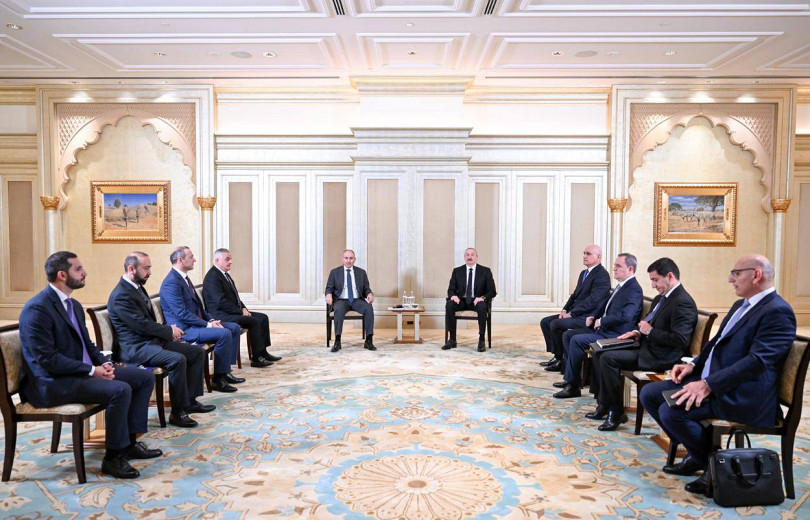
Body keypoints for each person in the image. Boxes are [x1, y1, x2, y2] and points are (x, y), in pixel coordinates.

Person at [639, 254, 796, 495]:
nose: (730, 279)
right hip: (717, 382)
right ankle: (701, 456)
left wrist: (708, 385)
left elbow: (758, 362)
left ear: (756, 275)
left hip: (743, 394)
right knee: (650, 394)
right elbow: (715, 343)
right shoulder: (740, 305)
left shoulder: (777, 311)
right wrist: (693, 365)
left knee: (672, 412)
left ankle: (713, 465)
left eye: (736, 273)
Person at [19, 251, 160, 479]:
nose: (84, 272)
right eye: (78, 269)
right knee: (120, 390)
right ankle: (113, 458)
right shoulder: (37, 308)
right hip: (52, 382)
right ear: (62, 275)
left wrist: (106, 364)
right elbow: (47, 359)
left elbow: (88, 346)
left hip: (77, 374)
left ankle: (129, 443)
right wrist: (92, 370)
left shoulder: (74, 305)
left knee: (143, 378)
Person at [586, 257, 697, 431]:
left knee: (608, 358)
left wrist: (649, 332)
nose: (652, 285)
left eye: (655, 280)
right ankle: (604, 404)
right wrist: (637, 332)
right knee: (599, 350)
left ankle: (616, 412)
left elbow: (680, 340)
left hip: (662, 356)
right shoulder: (661, 298)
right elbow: (647, 323)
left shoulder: (682, 302)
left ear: (670, 276)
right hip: (646, 346)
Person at [108, 252, 214, 428]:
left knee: (196, 353)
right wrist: (169, 331)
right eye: (146, 268)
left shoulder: (136, 287)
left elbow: (147, 323)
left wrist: (168, 333)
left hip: (151, 342)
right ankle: (178, 412)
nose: (150, 272)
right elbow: (141, 325)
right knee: (177, 360)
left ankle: (190, 401)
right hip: (136, 348)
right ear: (131, 269)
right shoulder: (121, 295)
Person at [553, 253, 643, 401]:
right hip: (606, 330)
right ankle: (572, 378)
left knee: (576, 340)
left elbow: (626, 315)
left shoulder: (633, 289)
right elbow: (605, 306)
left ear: (630, 269)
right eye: (614, 265)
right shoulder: (622, 286)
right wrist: (594, 318)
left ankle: (573, 385)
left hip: (616, 334)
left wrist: (602, 321)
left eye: (618, 266)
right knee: (568, 335)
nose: (614, 269)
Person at [159, 246, 243, 392]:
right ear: (180, 259)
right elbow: (182, 314)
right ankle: (218, 379)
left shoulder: (184, 278)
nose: (195, 260)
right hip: (184, 329)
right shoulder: (171, 282)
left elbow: (199, 307)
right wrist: (208, 325)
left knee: (234, 327)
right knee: (224, 333)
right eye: (191, 257)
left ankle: (225, 371)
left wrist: (210, 320)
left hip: (195, 324)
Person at [203, 248, 281, 368]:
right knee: (253, 321)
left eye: (231, 259)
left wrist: (244, 309)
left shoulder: (224, 275)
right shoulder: (213, 277)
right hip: (220, 315)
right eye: (227, 259)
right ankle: (256, 358)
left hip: (231, 311)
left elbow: (236, 298)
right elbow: (220, 302)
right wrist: (240, 311)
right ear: (217, 260)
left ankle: (263, 352)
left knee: (263, 317)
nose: (231, 262)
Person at [540, 244, 610, 372]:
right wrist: (565, 310)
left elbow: (593, 301)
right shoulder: (584, 273)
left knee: (555, 324)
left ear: (598, 257)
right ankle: (557, 355)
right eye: (584, 253)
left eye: (588, 254)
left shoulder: (602, 275)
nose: (584, 256)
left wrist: (572, 313)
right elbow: (574, 295)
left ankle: (560, 360)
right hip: (576, 313)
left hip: (587, 317)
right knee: (545, 322)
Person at [442, 248, 497, 352]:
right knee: (449, 304)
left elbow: (492, 291)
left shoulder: (485, 271)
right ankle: (452, 339)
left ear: (476, 257)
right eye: (467, 255)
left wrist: (482, 298)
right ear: (464, 258)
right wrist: (453, 296)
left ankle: (481, 340)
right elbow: (451, 289)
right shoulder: (457, 271)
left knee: (482, 306)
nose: (469, 257)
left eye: (472, 255)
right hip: (461, 301)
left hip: (477, 301)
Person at [324, 249, 375, 352]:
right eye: (346, 258)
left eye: (351, 258)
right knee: (338, 309)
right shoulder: (334, 272)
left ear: (354, 259)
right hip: (341, 300)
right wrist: (328, 294)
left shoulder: (361, 272)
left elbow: (366, 288)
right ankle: (337, 341)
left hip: (357, 300)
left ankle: (369, 340)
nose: (348, 260)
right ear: (342, 259)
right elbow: (329, 288)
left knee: (369, 308)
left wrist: (369, 294)